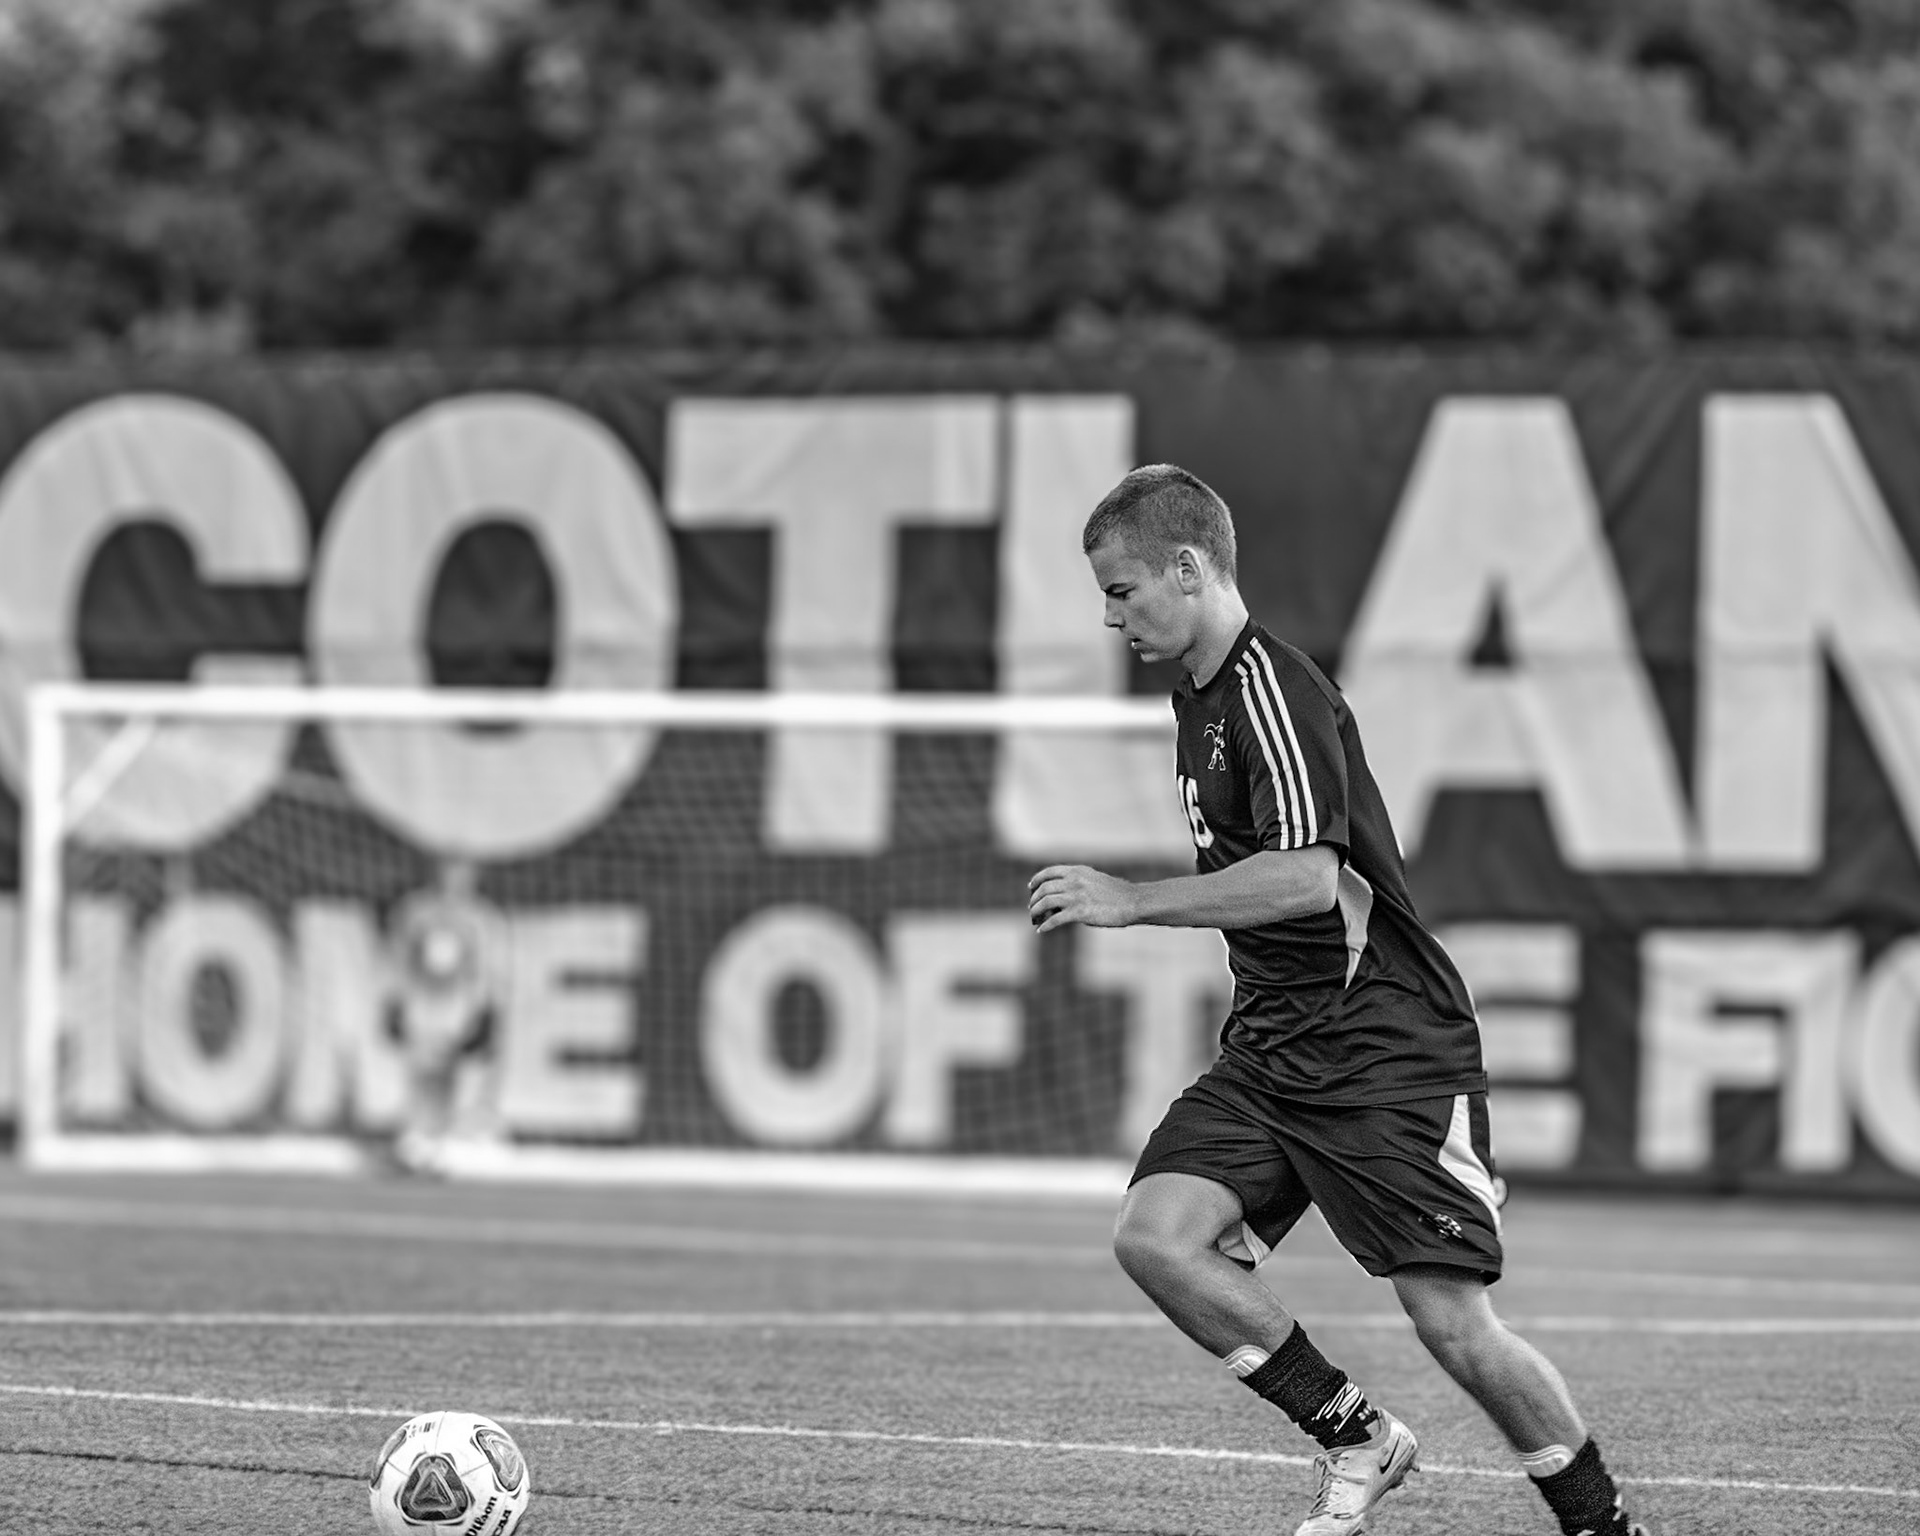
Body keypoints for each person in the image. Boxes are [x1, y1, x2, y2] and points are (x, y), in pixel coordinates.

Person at [1027, 464, 1650, 1536]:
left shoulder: (1276, 690)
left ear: (1189, 567)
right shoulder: (1197, 695)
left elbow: (1308, 878)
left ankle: (1601, 1524)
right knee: (1157, 1237)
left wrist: (1131, 901)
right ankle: (1359, 1436)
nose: (1111, 615)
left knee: (1453, 1326)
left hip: (1382, 1047)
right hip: (1274, 1048)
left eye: (1122, 590)